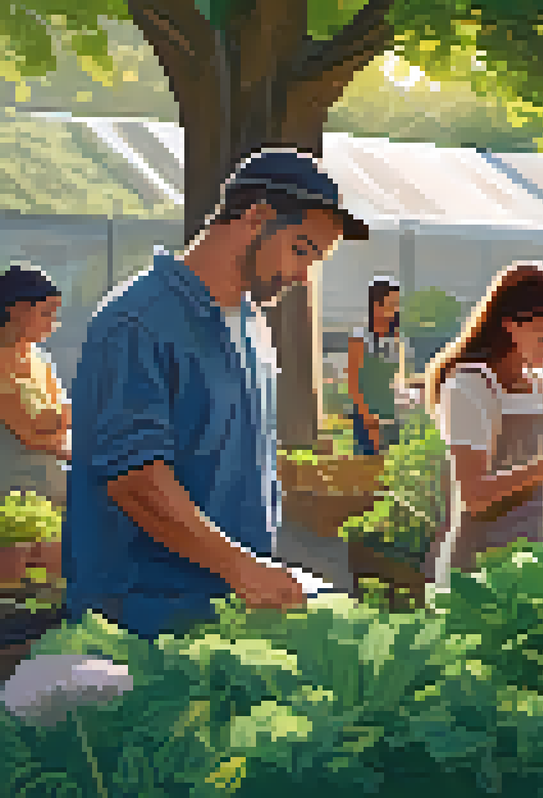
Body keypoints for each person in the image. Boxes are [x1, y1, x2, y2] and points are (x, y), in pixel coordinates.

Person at [65, 148, 369, 640]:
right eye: (301, 248)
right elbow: (136, 481)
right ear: (256, 217)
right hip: (138, 618)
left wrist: (251, 572)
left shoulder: (252, 326)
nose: (302, 274)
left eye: (314, 259)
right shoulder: (136, 320)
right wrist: (243, 569)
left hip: (225, 607)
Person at [425, 262, 543, 584]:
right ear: (510, 325)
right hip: (473, 571)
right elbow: (474, 495)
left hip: (527, 566)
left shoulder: (541, 386)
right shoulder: (469, 385)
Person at [0, 265, 70, 505]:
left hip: (53, 481)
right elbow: (31, 430)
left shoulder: (38, 358)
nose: (54, 323)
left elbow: (58, 421)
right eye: (47, 313)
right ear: (17, 309)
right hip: (18, 492)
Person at [348, 276, 407, 455]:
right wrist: (368, 419)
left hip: (392, 417)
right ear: (376, 305)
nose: (395, 309)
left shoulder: (396, 339)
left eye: (397, 304)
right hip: (367, 419)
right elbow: (353, 383)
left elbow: (398, 378)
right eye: (391, 303)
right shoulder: (360, 338)